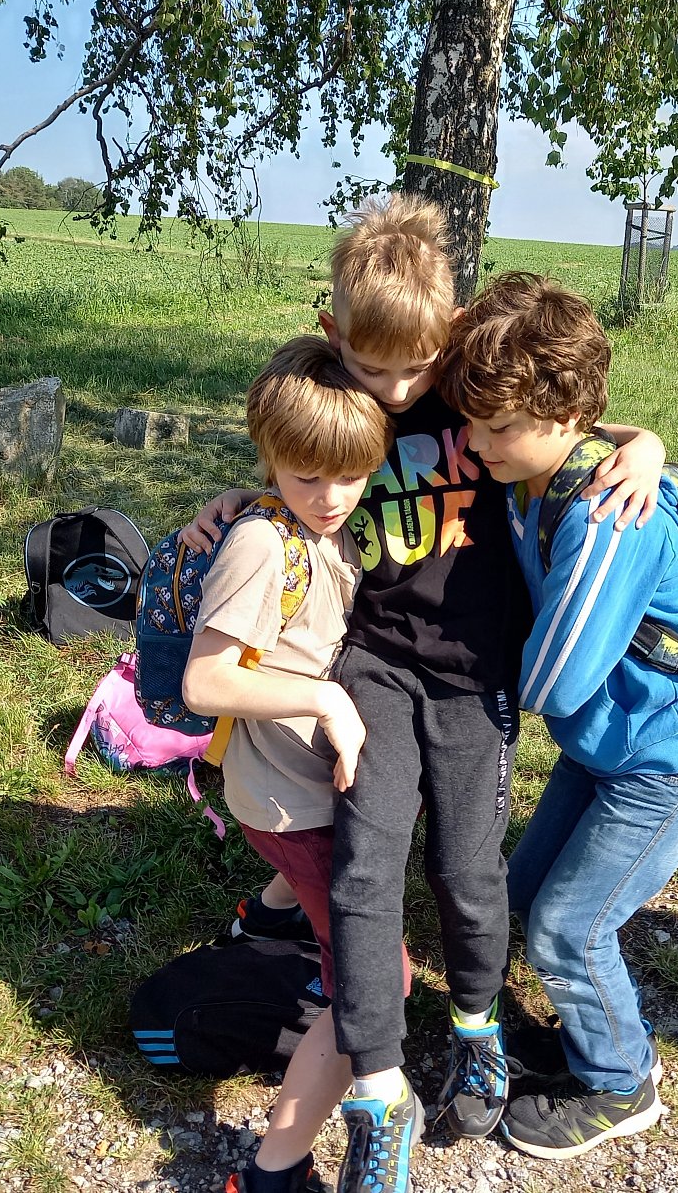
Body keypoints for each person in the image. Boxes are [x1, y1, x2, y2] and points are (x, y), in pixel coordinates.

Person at [183, 194, 668, 1193]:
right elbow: (298, 453)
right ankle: (376, 1092)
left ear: (447, 332)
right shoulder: (344, 390)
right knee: (367, 868)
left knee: (467, 867)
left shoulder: (462, 386)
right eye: (377, 369)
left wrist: (646, 440)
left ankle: (477, 1028)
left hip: (475, 674)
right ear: (335, 336)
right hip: (373, 665)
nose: (399, 389)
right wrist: (239, 501)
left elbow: (562, 422)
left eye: (417, 366)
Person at [436, 271, 678, 1159]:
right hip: (605, 746)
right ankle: (582, 1040)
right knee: (525, 896)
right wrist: (642, 437)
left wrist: (453, 688)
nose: (476, 443)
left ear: (565, 416)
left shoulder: (608, 513)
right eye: (471, 420)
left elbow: (558, 682)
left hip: (663, 756)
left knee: (569, 928)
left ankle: (621, 1081)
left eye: (497, 427)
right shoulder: (535, 470)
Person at [177, 336, 398, 1193]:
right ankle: (274, 1169)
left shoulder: (309, 520)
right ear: (270, 457)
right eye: (307, 477)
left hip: (286, 792)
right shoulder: (264, 545)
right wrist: (324, 701)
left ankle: (268, 921)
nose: (333, 497)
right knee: (380, 983)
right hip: (293, 806)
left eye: (352, 476)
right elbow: (205, 681)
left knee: (322, 900)